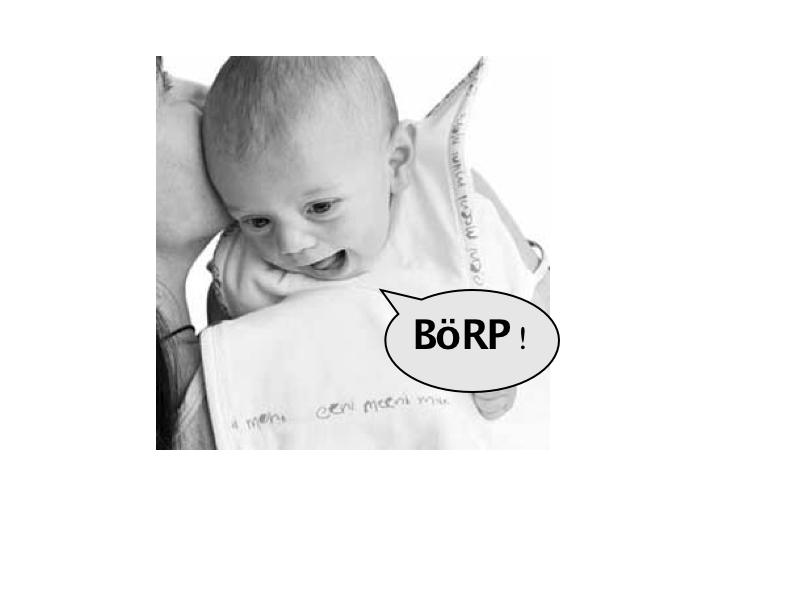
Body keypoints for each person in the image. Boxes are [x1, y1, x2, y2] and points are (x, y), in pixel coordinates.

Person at [156, 57, 527, 449]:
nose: (292, 245)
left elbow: (525, 310)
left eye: (320, 208)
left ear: (396, 163)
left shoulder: (441, 214)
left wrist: (506, 362)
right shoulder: (246, 275)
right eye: (258, 221)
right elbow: (239, 374)